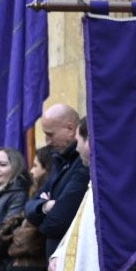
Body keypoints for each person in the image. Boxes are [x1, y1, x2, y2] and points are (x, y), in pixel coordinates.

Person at [24, 103, 86, 257]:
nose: (47, 141)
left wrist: (41, 221)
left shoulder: (83, 164)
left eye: (50, 134)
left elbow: (57, 222)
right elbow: (30, 206)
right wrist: (45, 207)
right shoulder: (60, 160)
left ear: (70, 129)